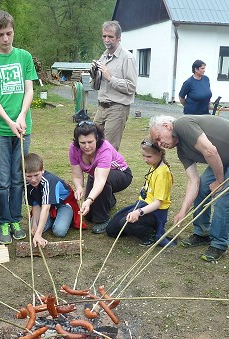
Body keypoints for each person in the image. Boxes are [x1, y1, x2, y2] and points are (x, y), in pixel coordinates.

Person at [149, 114, 229, 262]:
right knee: (201, 188)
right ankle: (202, 232)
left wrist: (220, 181)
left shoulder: (182, 124)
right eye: (157, 142)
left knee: (222, 195)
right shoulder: (182, 151)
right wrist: (183, 211)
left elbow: (210, 151)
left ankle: (219, 244)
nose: (160, 144)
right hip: (223, 158)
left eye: (159, 138)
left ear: (167, 126)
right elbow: (194, 180)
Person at [0, 9, 38, 245]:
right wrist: (9, 122)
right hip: (0, 130)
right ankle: (2, 221)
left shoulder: (24, 57)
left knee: (17, 178)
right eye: (0, 34)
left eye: (9, 33)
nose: (6, 39)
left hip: (23, 127)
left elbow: (29, 89)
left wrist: (21, 116)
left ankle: (15, 219)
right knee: (2, 180)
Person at [106, 138, 173, 247]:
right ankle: (136, 227)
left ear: (160, 154)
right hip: (144, 205)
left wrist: (138, 212)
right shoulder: (154, 166)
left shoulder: (162, 174)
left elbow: (157, 203)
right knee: (111, 230)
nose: (145, 159)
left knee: (125, 222)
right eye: (143, 156)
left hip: (155, 212)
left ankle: (150, 234)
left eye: (149, 157)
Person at [69, 121, 133, 234]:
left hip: (121, 174)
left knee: (98, 189)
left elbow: (100, 180)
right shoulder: (74, 149)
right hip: (96, 176)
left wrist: (89, 200)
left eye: (90, 142)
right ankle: (110, 201)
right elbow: (77, 175)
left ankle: (103, 219)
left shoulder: (104, 148)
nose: (87, 146)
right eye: (82, 142)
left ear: (97, 139)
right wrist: (79, 188)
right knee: (89, 216)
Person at [89, 20, 137, 150]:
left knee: (109, 149)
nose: (107, 39)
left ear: (119, 38)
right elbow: (95, 86)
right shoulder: (103, 56)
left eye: (110, 36)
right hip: (101, 107)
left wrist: (110, 78)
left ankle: (109, 171)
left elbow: (131, 87)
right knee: (93, 143)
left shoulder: (127, 58)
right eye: (104, 36)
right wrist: (94, 75)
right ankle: (96, 170)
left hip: (117, 108)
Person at [24, 152, 83, 248]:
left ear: (42, 170)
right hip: (43, 205)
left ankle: (64, 216)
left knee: (59, 231)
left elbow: (46, 208)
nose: (33, 180)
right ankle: (51, 218)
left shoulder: (48, 181)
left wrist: (38, 235)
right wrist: (34, 223)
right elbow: (35, 203)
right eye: (29, 176)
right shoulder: (26, 183)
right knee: (33, 229)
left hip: (63, 204)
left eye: (36, 175)